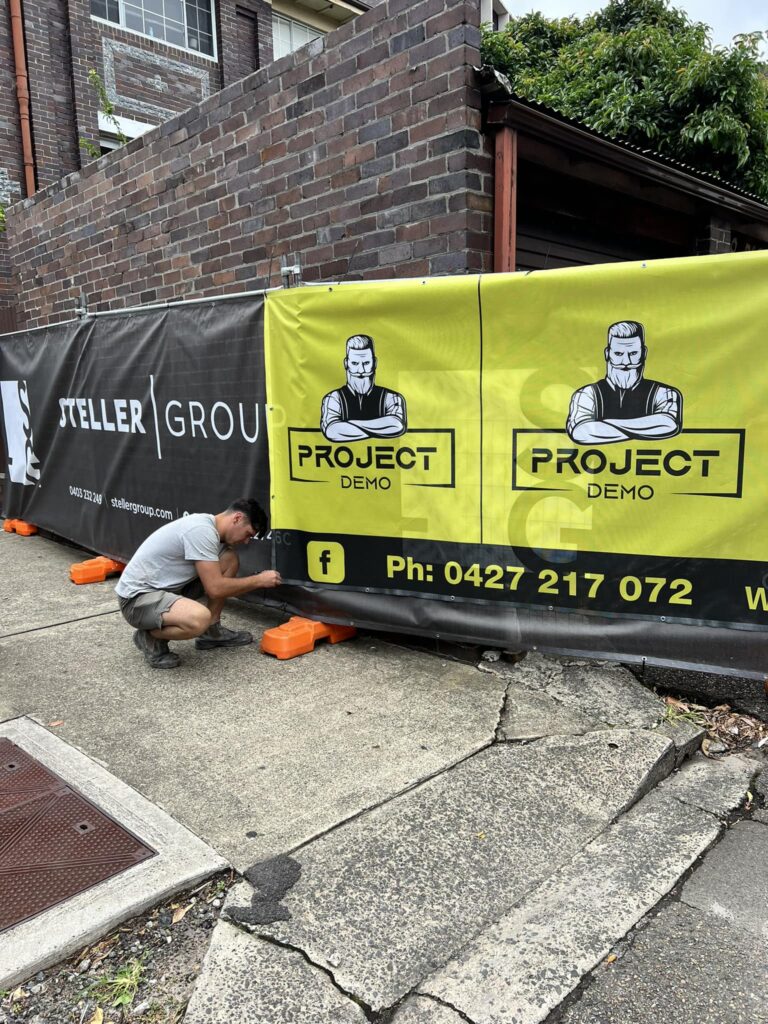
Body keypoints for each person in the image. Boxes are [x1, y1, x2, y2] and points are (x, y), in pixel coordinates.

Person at [115, 498, 281, 669]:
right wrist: (259, 580)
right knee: (199, 619)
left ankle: (212, 632)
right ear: (237, 518)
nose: (246, 541)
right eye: (248, 534)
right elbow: (215, 589)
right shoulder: (201, 531)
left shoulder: (209, 530)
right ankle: (150, 637)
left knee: (229, 559)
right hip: (136, 600)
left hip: (164, 590)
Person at [566, 320, 682, 444]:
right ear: (607, 354)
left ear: (644, 353)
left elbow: (668, 424)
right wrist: (648, 428)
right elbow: (580, 432)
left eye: (633, 353)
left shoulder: (664, 393)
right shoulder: (587, 394)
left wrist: (601, 426)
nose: (626, 362)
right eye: (618, 353)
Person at [320, 334, 407, 442]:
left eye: (366, 363)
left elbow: (397, 425)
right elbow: (332, 431)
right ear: (346, 363)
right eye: (355, 363)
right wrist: (382, 429)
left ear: (375, 363)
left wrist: (347, 425)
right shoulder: (333, 398)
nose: (361, 370)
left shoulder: (391, 397)